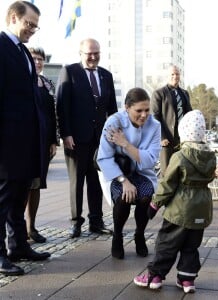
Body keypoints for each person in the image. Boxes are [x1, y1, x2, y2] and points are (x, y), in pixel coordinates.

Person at [133, 110, 216, 293]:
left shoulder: (179, 156)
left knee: (167, 242)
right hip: (201, 209)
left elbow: (167, 184)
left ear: (183, 132)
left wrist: (155, 204)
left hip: (180, 210)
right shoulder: (210, 156)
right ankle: (187, 280)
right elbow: (209, 178)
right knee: (191, 246)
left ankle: (154, 276)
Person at [0, 1, 51, 276]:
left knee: (18, 197)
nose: (32, 30)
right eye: (28, 24)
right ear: (13, 17)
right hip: (7, 142)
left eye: (35, 26)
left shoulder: (22, 51)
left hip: (25, 141)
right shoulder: (1, 47)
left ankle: (18, 245)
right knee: (4, 198)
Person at [56, 38, 118, 238]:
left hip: (100, 140)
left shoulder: (106, 76)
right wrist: (65, 133)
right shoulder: (70, 71)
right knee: (77, 182)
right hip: (75, 138)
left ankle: (96, 222)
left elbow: (112, 110)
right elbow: (61, 105)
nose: (93, 56)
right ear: (81, 53)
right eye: (89, 53)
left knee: (96, 180)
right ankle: (76, 223)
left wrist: (114, 135)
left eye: (96, 52)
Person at [97, 87, 161, 259]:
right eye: (138, 110)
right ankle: (117, 235)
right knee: (125, 197)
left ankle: (139, 234)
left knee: (146, 196)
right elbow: (104, 157)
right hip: (117, 172)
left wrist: (125, 144)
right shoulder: (113, 123)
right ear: (127, 107)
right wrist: (124, 181)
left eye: (147, 110)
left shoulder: (155, 126)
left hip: (142, 173)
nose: (144, 115)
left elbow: (150, 159)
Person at [25, 46, 59, 243]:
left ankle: (32, 228)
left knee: (37, 185)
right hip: (25, 142)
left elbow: (53, 114)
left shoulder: (47, 83)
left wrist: (54, 140)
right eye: (34, 58)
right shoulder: (21, 81)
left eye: (40, 59)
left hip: (43, 143)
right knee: (23, 186)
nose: (37, 62)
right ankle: (18, 231)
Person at [151, 65, 192, 177]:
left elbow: (190, 115)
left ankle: (180, 195)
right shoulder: (159, 93)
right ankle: (166, 195)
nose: (175, 76)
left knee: (183, 172)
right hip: (167, 140)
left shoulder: (185, 93)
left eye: (177, 74)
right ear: (167, 76)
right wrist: (161, 137)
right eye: (172, 74)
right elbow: (155, 117)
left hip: (183, 140)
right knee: (168, 173)